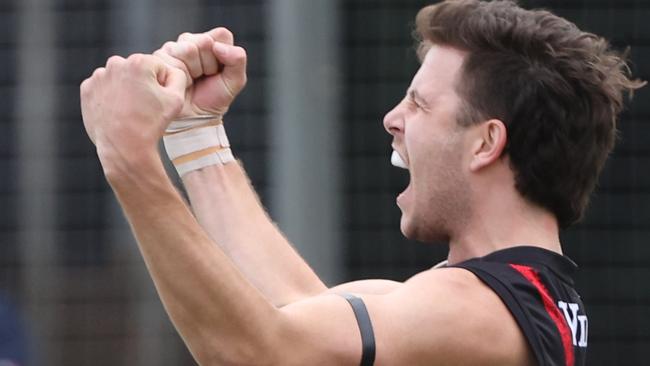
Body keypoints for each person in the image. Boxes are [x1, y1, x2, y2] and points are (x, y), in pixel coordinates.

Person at [79, 0, 644, 365]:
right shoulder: (510, 298)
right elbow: (299, 312)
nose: (392, 118)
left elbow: (262, 354)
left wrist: (128, 157)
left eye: (419, 104)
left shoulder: (479, 311)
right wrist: (197, 136)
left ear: (486, 143)